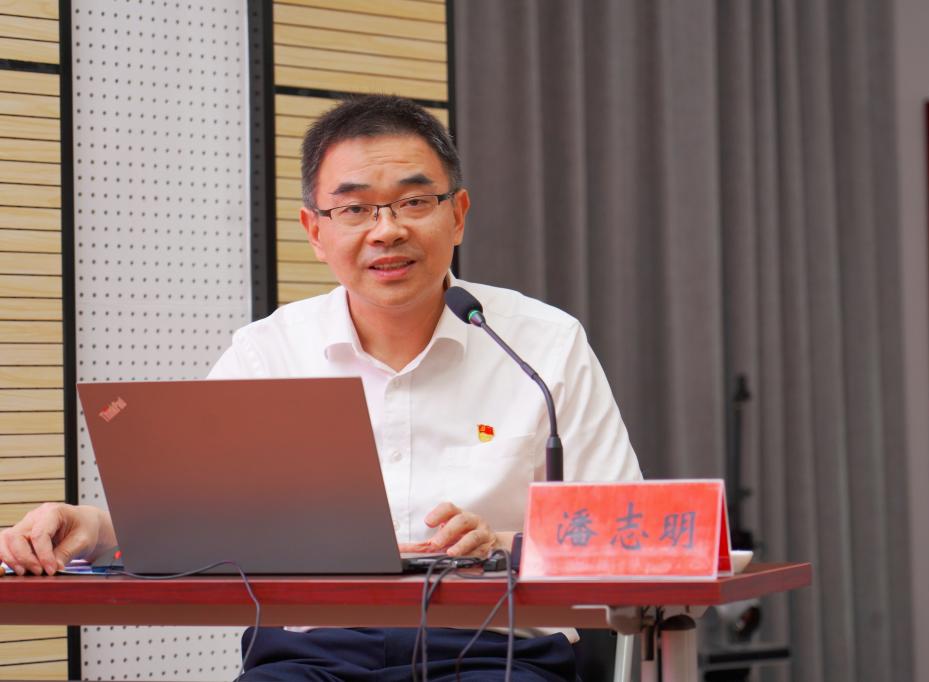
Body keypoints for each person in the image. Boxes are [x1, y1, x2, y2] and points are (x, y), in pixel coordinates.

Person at [0, 95, 641, 681]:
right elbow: (188, 522)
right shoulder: (269, 351)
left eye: (414, 202)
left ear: (458, 215)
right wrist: (89, 527)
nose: (386, 230)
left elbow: (626, 532)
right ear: (315, 231)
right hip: (313, 655)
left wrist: (499, 547)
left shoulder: (543, 345)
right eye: (355, 209)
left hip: (495, 652)